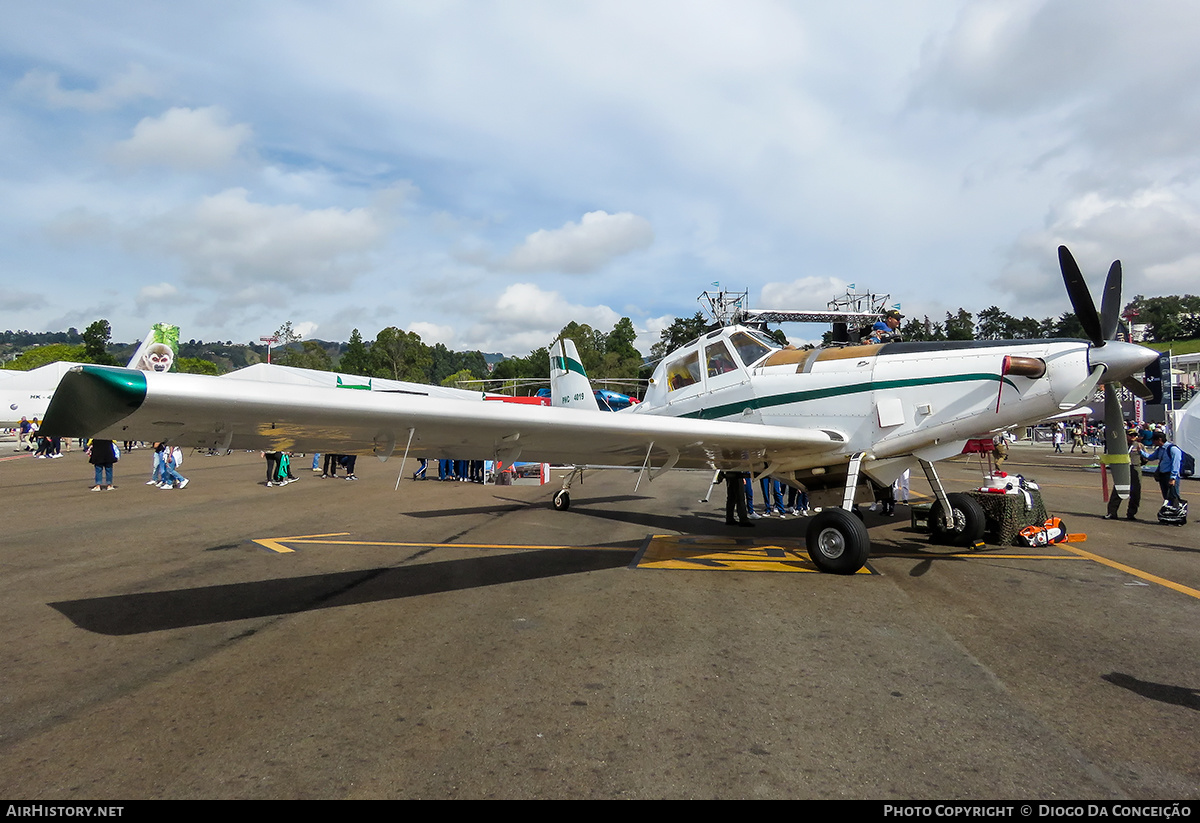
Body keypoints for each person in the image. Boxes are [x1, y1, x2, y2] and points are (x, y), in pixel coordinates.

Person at [1140, 431, 1186, 511]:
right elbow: (1151, 457)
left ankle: (1177, 513)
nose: (1153, 442)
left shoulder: (1172, 449)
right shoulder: (1160, 449)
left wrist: (1173, 477)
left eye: (1154, 440)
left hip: (1170, 475)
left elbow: (1176, 463)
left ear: (1159, 439)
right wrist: (1140, 452)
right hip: (1163, 475)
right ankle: (1169, 514)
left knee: (1174, 496)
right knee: (1166, 497)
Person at [1104, 428, 1143, 520]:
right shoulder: (1121, 446)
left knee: (1136, 492)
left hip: (1135, 468)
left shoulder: (1139, 446)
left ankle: (1131, 513)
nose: (1133, 437)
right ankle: (1112, 512)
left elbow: (1144, 459)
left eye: (1134, 435)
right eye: (1131, 435)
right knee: (1118, 490)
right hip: (1123, 469)